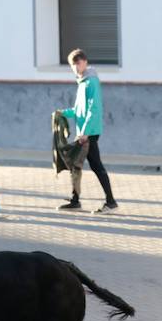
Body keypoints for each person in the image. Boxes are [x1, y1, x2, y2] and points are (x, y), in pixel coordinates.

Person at [59, 50, 117, 214]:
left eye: (78, 63)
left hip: (89, 132)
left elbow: (94, 109)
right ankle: (76, 201)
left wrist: (84, 132)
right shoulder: (82, 82)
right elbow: (79, 110)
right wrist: (62, 113)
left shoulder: (91, 82)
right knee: (77, 165)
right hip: (84, 131)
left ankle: (110, 202)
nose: (75, 68)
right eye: (73, 65)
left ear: (84, 62)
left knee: (95, 165)